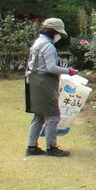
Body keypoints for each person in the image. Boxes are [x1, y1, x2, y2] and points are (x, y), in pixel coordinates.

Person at [24, 18, 78, 157]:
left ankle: (32, 147)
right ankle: (51, 147)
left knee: (39, 115)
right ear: (53, 31)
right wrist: (68, 71)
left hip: (35, 81)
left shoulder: (38, 42)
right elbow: (51, 68)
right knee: (52, 116)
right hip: (44, 82)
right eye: (58, 32)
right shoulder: (48, 46)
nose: (59, 35)